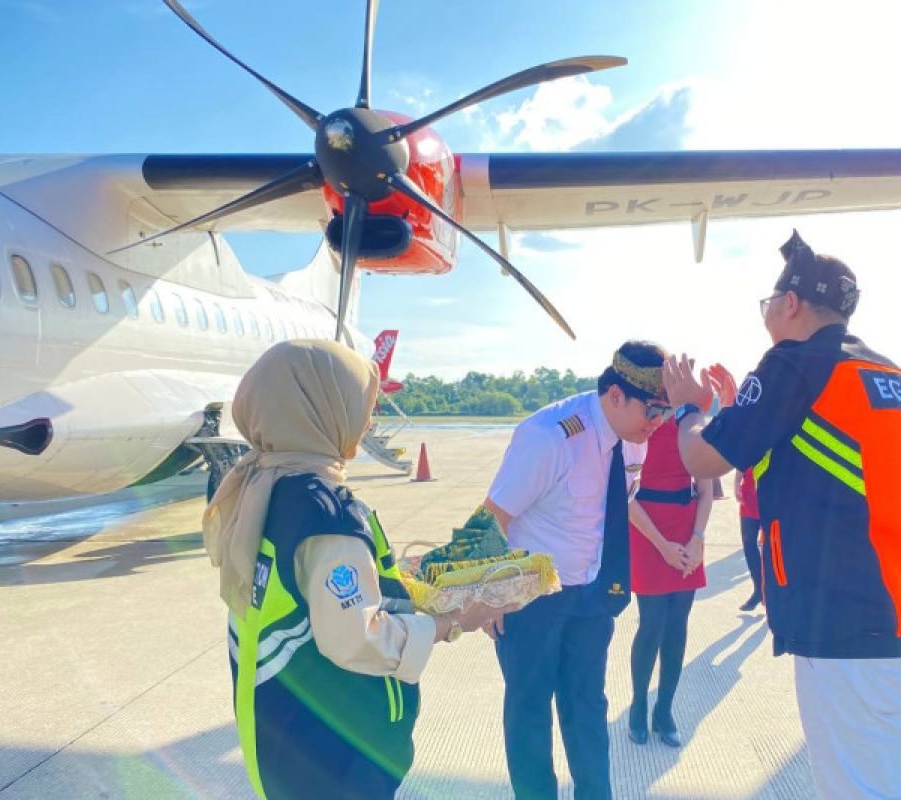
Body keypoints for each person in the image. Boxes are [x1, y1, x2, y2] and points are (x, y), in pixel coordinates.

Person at [664, 231, 901, 800]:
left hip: (852, 628)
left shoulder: (794, 366)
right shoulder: (891, 374)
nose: (767, 312)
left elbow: (703, 457)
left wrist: (688, 410)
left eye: (769, 301)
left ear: (790, 304)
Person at [202, 340, 503, 800]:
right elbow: (356, 638)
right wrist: (454, 622)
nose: (367, 418)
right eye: (359, 402)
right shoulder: (324, 512)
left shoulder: (265, 486)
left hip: (282, 730)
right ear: (323, 408)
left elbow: (311, 593)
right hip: (336, 757)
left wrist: (389, 575)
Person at [482, 341, 669, 800]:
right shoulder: (550, 436)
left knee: (587, 706)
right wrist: (489, 595)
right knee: (529, 711)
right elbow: (493, 517)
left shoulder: (633, 440)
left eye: (665, 411)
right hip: (531, 598)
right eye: (652, 410)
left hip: (590, 595)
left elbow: (618, 501)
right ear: (615, 396)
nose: (657, 422)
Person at [627, 415, 712, 748]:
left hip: (687, 532)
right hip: (648, 532)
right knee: (651, 624)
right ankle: (638, 705)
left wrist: (698, 539)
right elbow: (626, 495)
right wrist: (662, 546)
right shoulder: (640, 423)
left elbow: (705, 491)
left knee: (677, 626)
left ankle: (665, 710)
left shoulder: (693, 425)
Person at [736, 468, 763, 612]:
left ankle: (771, 592)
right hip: (749, 493)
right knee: (748, 543)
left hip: (772, 492)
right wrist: (736, 483)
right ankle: (759, 589)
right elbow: (742, 454)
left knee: (773, 547)